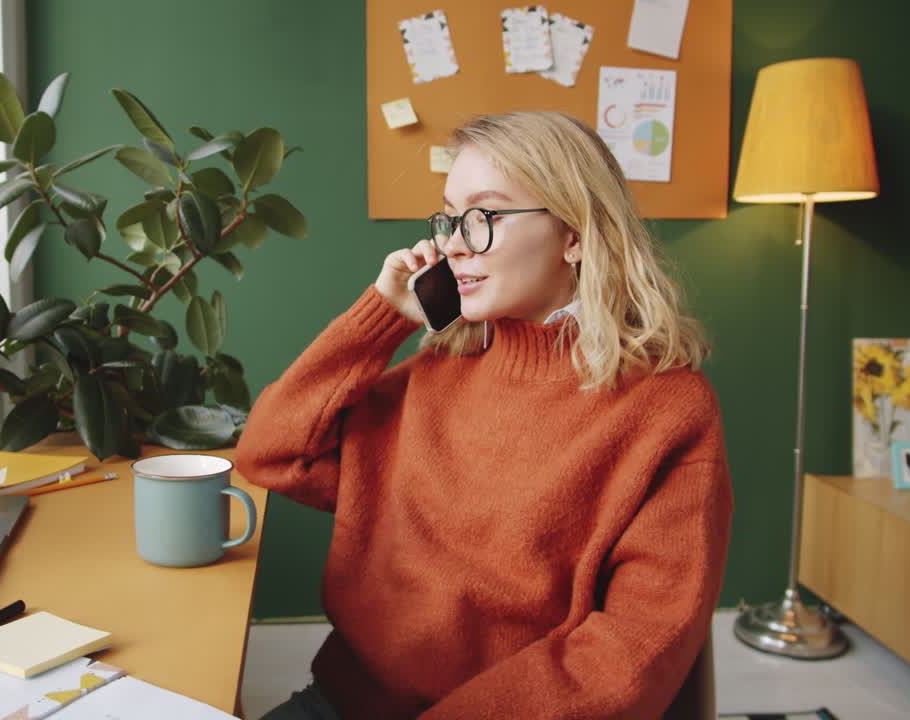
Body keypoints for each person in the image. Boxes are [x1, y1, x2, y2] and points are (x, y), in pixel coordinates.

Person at [234, 111, 733, 720]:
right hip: (344, 703)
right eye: (451, 218)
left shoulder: (667, 410)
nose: (452, 244)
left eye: (485, 217)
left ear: (575, 236)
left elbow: (628, 652)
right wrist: (381, 315)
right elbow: (270, 452)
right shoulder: (439, 369)